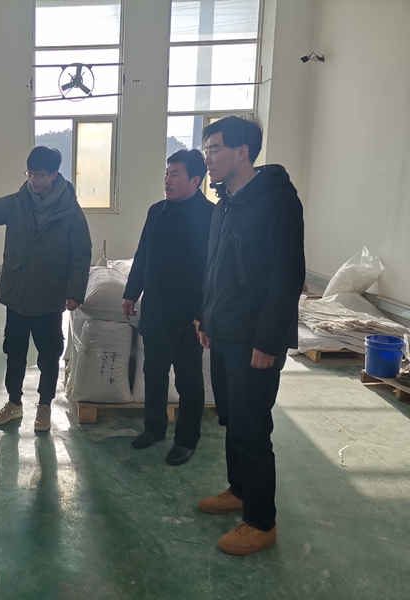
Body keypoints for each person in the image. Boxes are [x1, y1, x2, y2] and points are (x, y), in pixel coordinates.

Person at [196, 116, 305, 555]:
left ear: (242, 152)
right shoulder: (225, 203)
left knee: (252, 428)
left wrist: (268, 341)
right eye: (206, 149)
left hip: (254, 340)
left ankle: (261, 523)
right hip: (224, 332)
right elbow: (214, 268)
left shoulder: (277, 201)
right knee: (231, 420)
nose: (208, 158)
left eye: (215, 149)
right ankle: (239, 490)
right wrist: (206, 318)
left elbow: (287, 275)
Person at [0, 147, 92, 432]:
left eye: (39, 175)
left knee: (49, 354)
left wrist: (75, 292)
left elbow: (81, 254)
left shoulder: (70, 211)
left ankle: (44, 405)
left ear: (54, 175)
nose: (33, 179)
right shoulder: (19, 201)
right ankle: (14, 403)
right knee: (14, 351)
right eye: (30, 173)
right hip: (18, 293)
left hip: (49, 295)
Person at [122, 149, 214, 466]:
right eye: (167, 173)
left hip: (188, 315)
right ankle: (154, 428)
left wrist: (202, 314)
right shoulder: (157, 211)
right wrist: (131, 293)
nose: (168, 180)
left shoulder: (210, 216)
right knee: (154, 373)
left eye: (175, 174)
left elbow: (212, 272)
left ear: (195, 180)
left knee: (188, 380)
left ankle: (186, 440)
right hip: (157, 309)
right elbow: (143, 255)